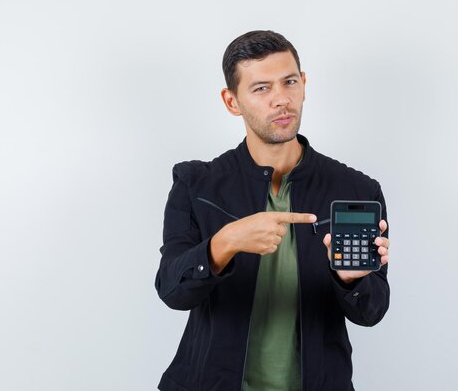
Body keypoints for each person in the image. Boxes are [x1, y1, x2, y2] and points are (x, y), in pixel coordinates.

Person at [155, 30, 391, 391]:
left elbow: (371, 312)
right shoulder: (196, 183)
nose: (281, 99)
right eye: (261, 88)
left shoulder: (356, 190)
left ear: (304, 84)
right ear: (232, 101)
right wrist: (225, 242)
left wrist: (352, 278)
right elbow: (172, 291)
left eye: (289, 82)